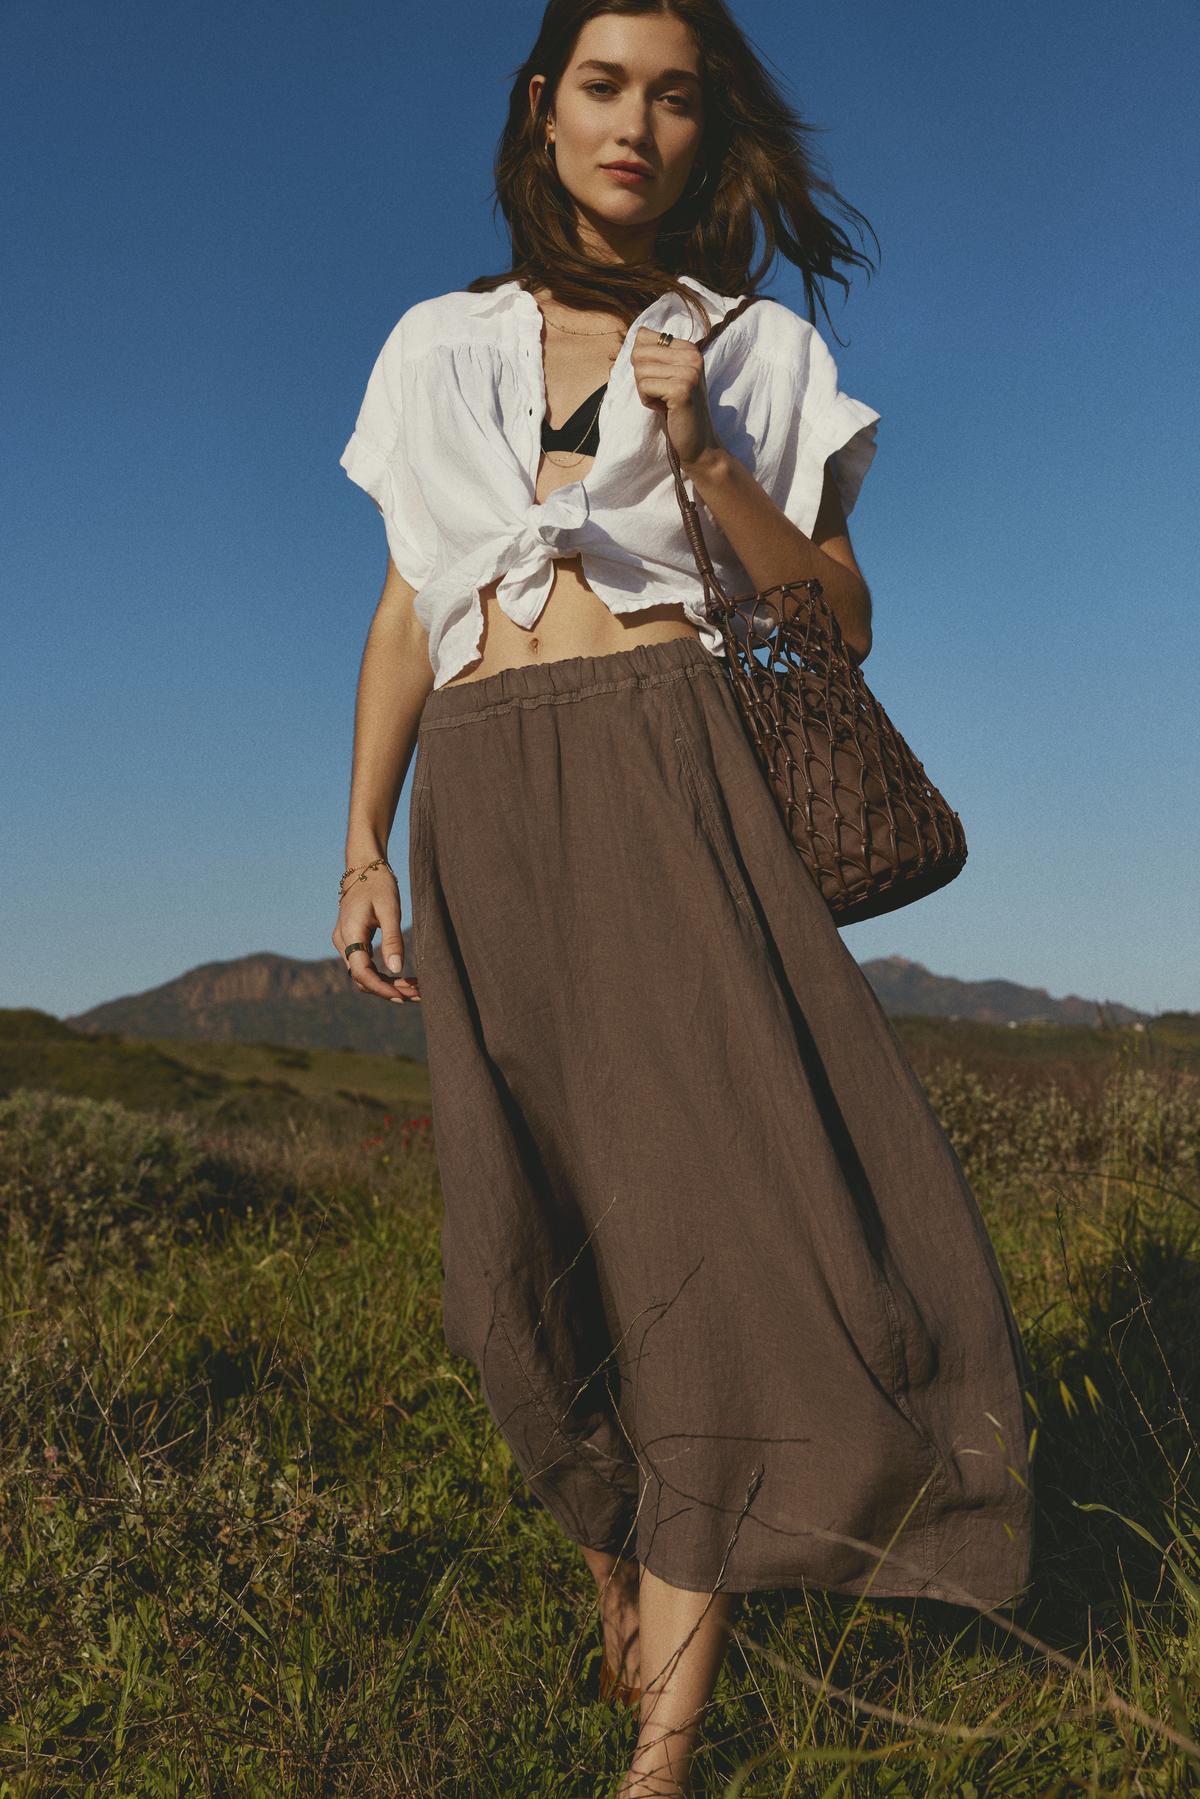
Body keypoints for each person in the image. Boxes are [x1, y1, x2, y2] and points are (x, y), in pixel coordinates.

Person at [333, 3, 1036, 1794]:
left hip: (668, 772)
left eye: (673, 96)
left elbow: (841, 618)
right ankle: (623, 1558)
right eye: (602, 87)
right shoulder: (434, 344)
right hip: (484, 807)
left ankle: (665, 1758)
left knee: (700, 1238)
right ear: (544, 111)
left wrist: (710, 450)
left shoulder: (754, 344)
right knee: (521, 1258)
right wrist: (362, 835)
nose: (634, 123)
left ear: (705, 135)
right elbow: (416, 604)